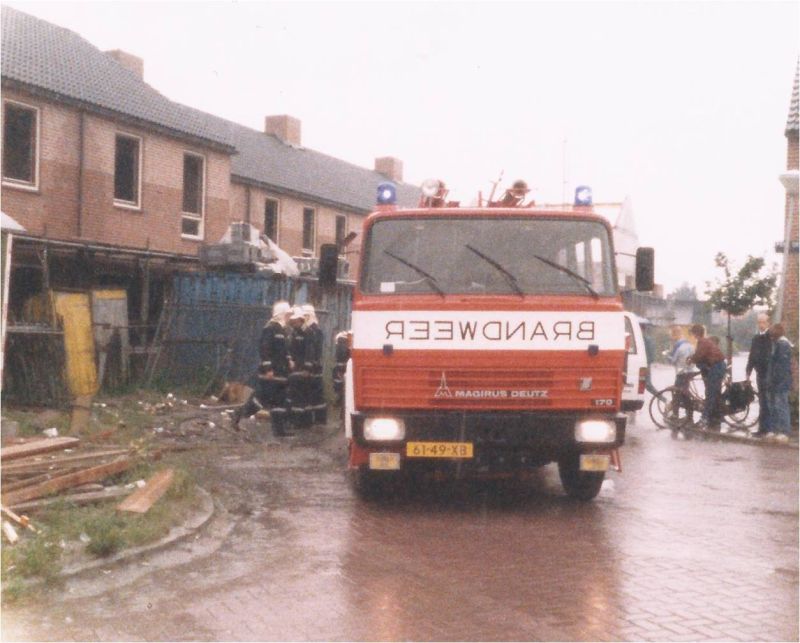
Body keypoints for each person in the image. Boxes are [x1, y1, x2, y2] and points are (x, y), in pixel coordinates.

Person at [231, 300, 292, 436]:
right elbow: (265, 349)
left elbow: (283, 350)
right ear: (281, 314)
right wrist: (268, 368)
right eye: (287, 315)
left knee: (279, 402)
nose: (289, 318)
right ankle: (239, 414)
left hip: (281, 373)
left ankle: (279, 431)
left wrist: (289, 361)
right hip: (271, 373)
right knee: (262, 399)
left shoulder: (282, 330)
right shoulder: (270, 328)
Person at [688, 324, 727, 430]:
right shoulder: (705, 341)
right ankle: (717, 417)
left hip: (716, 367)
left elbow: (699, 355)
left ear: (696, 333)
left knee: (711, 393)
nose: (692, 335)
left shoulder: (702, 342)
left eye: (692, 333)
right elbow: (700, 355)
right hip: (718, 365)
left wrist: (690, 360)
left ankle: (704, 419)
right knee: (715, 393)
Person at [745, 312, 772, 438]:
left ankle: (768, 428)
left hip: (768, 373)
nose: (761, 324)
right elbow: (752, 355)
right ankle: (762, 428)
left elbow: (769, 356)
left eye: (763, 322)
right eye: (759, 322)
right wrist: (748, 371)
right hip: (759, 373)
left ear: (768, 323)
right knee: (762, 401)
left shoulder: (770, 337)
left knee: (767, 401)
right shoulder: (756, 338)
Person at [766, 323, 793, 443]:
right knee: (775, 406)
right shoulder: (778, 344)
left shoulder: (782, 345)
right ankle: (776, 430)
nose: (771, 337)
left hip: (780, 381)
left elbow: (781, 366)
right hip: (776, 380)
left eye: (772, 335)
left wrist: (775, 379)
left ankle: (784, 431)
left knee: (781, 405)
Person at [301, 303, 327, 424]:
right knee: (315, 395)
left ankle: (319, 420)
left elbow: (313, 350)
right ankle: (318, 419)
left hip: (314, 367)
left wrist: (309, 365)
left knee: (315, 394)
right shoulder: (313, 330)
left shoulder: (313, 331)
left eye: (305, 316)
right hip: (315, 366)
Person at [286, 306, 310, 428]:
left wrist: (306, 368)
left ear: (301, 320)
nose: (294, 323)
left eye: (295, 321)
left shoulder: (306, 333)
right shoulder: (294, 333)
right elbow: (290, 350)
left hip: (301, 370)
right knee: (293, 395)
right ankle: (294, 420)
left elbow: (309, 352)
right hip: (294, 369)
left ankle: (300, 422)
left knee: (300, 396)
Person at [639, 320, 661, 399]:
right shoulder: (641, 339)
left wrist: (647, 364)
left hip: (645, 365)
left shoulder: (647, 340)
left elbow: (651, 355)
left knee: (648, 385)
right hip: (641, 364)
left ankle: (664, 399)